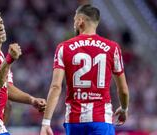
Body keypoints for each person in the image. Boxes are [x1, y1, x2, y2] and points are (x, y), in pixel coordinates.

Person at [40, 4, 129, 135]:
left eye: (75, 20)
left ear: (81, 20)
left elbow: (56, 87)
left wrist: (46, 122)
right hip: (101, 120)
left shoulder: (63, 47)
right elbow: (123, 90)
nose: (74, 24)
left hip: (74, 121)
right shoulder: (112, 48)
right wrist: (124, 108)